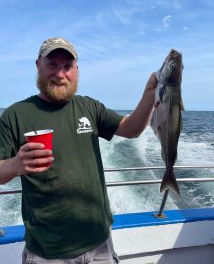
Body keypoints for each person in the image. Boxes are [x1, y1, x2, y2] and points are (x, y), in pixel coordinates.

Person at [0, 37, 157, 264]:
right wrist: (15, 165)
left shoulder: (89, 107)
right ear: (38, 66)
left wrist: (151, 93)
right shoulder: (15, 115)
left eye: (67, 66)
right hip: (47, 251)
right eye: (52, 64)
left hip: (99, 241)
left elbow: (131, 129)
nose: (60, 74)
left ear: (76, 70)